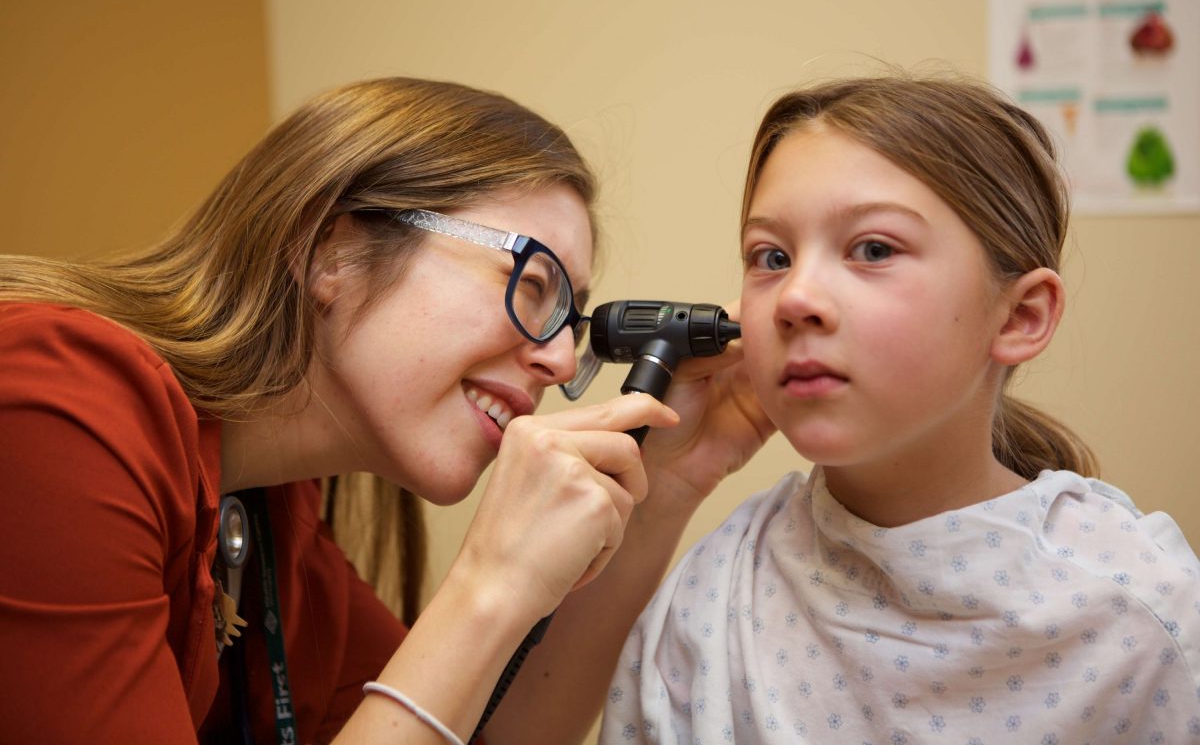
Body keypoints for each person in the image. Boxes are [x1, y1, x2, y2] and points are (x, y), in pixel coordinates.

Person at [0, 77, 773, 745]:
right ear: (329, 248)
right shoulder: (54, 407)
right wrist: (491, 579)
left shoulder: (274, 515)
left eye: (569, 321)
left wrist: (667, 481)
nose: (563, 362)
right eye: (531, 284)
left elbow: (481, 732)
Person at [600, 75, 1200, 743]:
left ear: (1021, 316)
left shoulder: (1148, 617)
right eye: (772, 257)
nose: (796, 298)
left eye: (874, 250)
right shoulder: (713, 598)